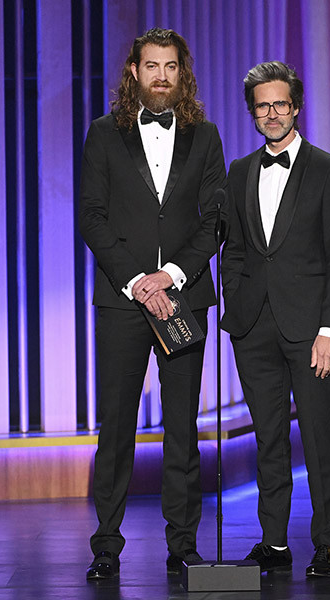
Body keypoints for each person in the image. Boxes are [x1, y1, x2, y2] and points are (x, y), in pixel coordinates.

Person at [78, 27, 226, 580]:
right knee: (115, 427)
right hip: (122, 302)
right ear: (133, 72)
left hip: (184, 296)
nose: (161, 76)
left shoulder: (205, 137)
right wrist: (139, 280)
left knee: (183, 429)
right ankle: (106, 547)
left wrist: (169, 275)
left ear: (181, 73)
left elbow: (214, 220)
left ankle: (182, 545)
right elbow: (92, 216)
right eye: (151, 66)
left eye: (170, 66)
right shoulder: (103, 134)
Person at [220, 61, 330, 579]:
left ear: (295, 107)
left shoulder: (328, 169)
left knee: (319, 436)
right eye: (262, 106)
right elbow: (232, 250)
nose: (272, 114)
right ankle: (274, 542)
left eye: (280, 104)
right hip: (254, 328)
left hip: (311, 331)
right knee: (268, 438)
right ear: (253, 113)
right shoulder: (238, 171)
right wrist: (237, 308)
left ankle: (327, 544)